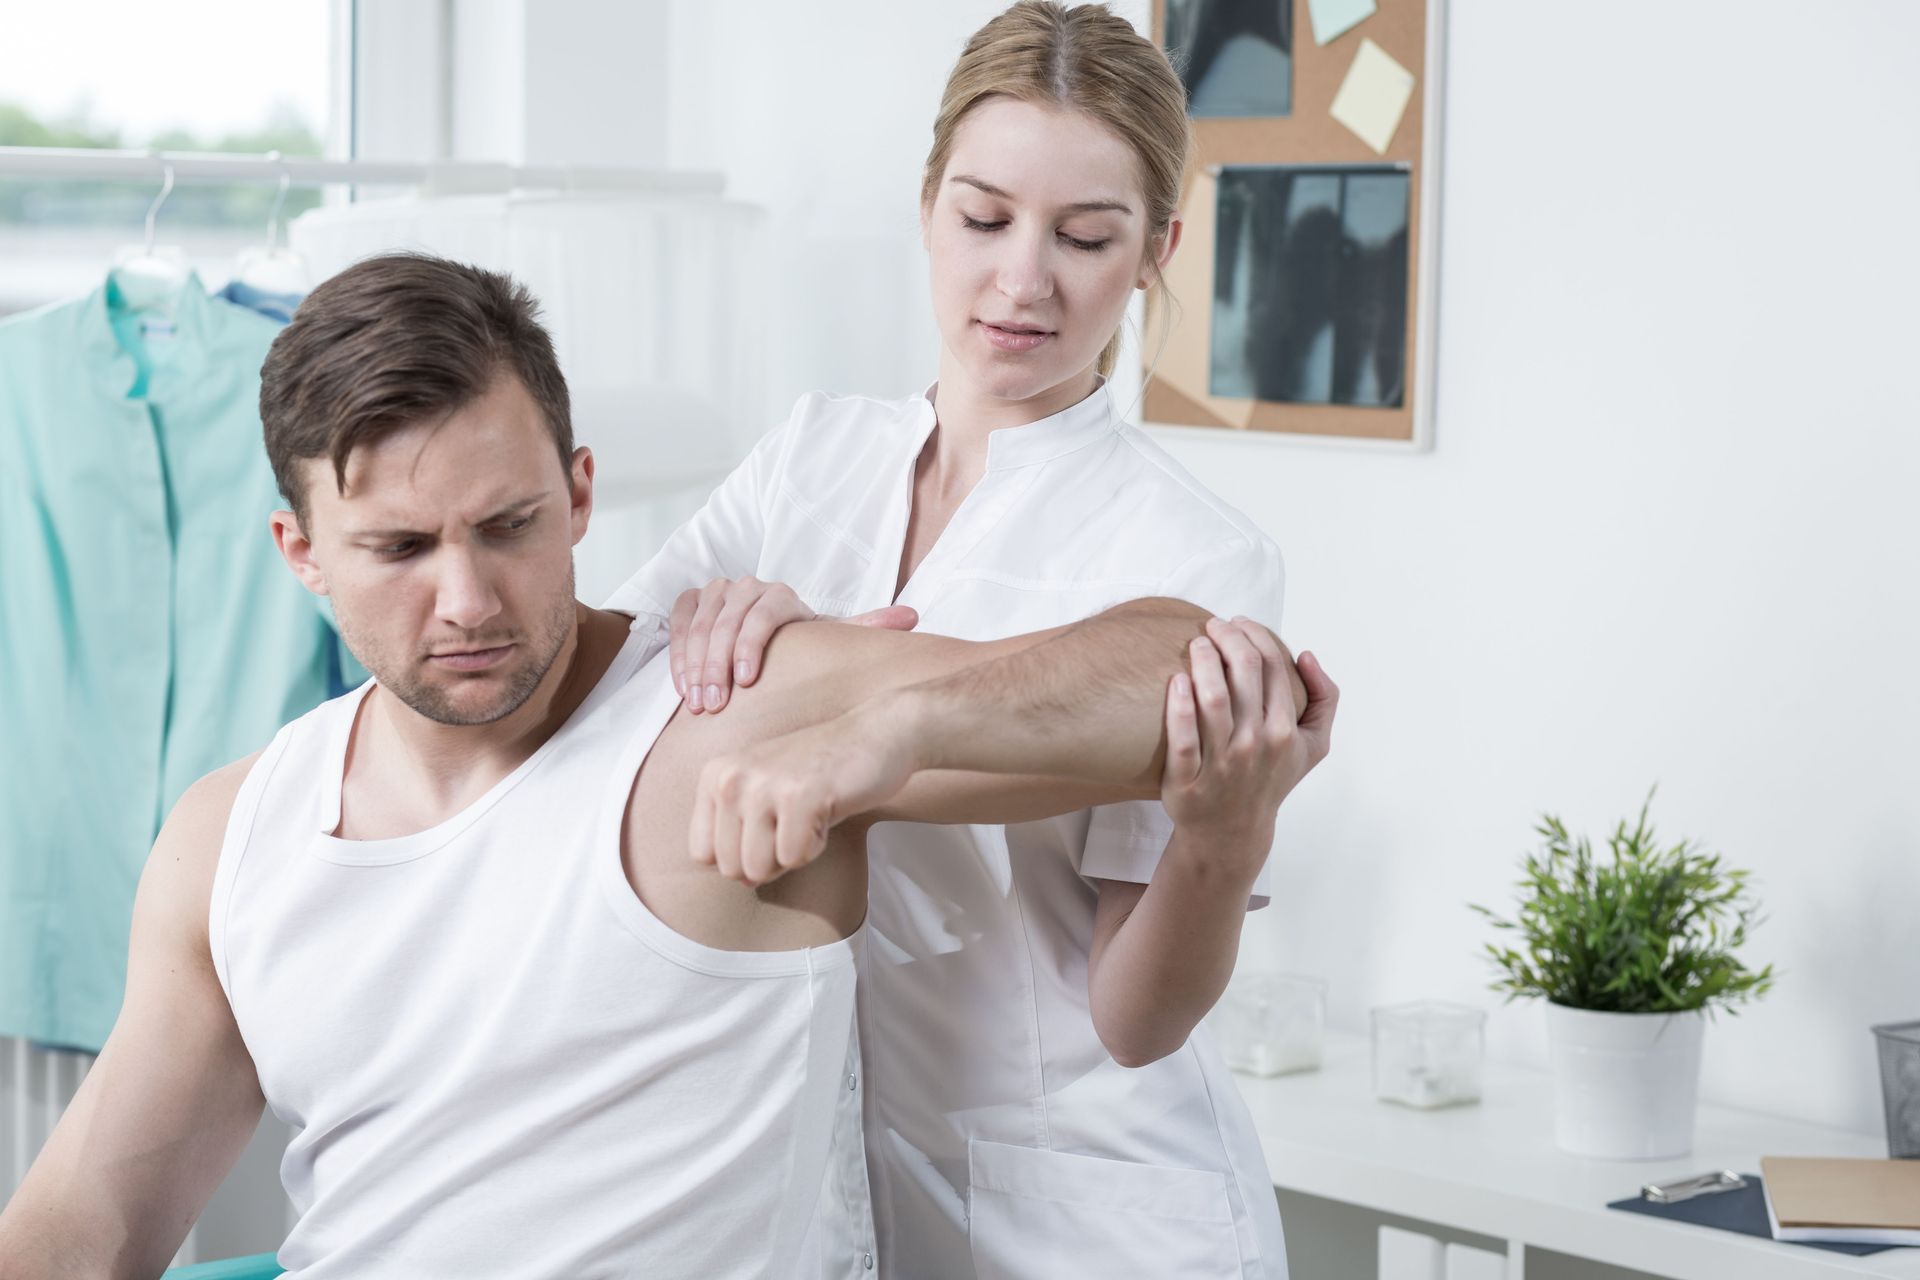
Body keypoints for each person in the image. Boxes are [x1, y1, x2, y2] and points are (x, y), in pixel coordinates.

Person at [0, 254, 1328, 1280]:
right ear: (300, 551)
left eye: (509, 525)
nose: (468, 599)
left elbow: (1193, 663)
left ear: (581, 492)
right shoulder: (233, 837)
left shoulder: (730, 716)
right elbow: (85, 1227)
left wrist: (889, 734)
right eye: (400, 549)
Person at [604, 3, 1340, 1275]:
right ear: (928, 205)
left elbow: (1136, 1019)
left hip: (1096, 1209)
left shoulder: (1193, 553)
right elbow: (617, 695)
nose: (1023, 279)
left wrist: (1224, 844)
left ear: (1157, 250)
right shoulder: (808, 458)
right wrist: (727, 625)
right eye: (985, 218)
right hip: (846, 1184)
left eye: (1086, 236)